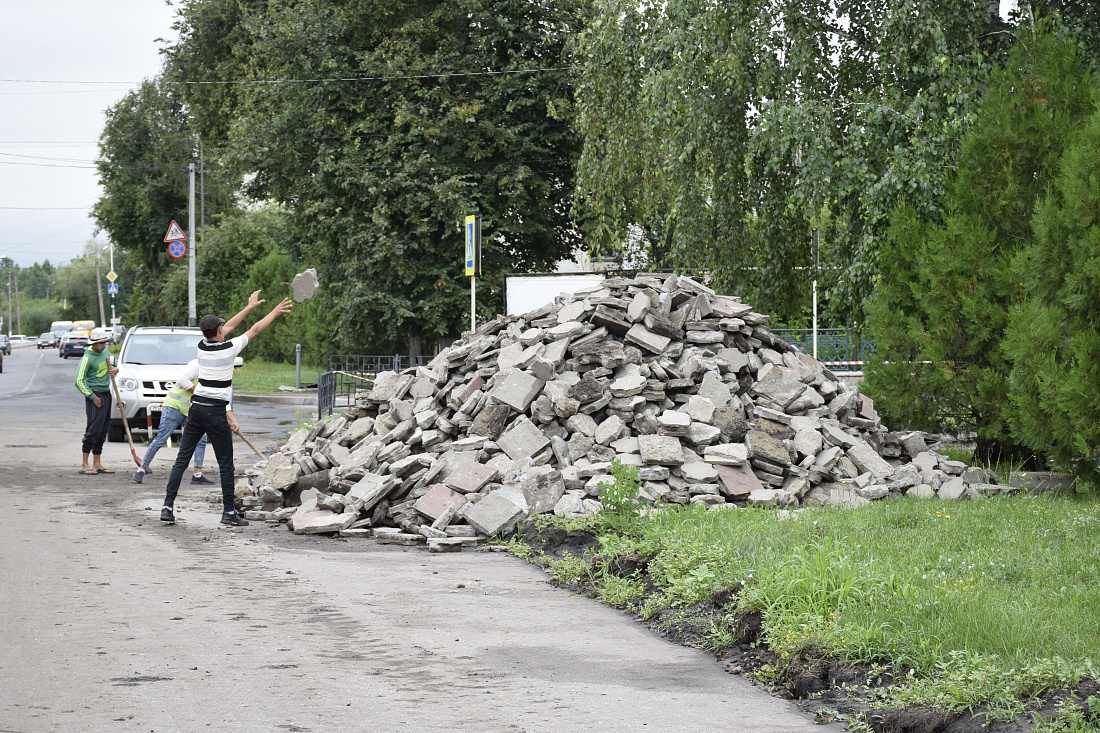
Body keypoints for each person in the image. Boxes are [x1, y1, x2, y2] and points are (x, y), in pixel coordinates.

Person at [160, 290, 292, 525]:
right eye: (221, 327)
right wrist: (274, 312)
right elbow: (255, 330)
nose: (225, 328)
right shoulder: (229, 348)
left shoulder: (201, 346)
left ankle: (167, 507)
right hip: (215, 412)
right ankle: (228, 513)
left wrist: (249, 307)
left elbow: (228, 327)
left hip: (196, 408)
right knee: (225, 464)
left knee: (182, 459)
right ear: (218, 331)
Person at [132, 359, 221, 486]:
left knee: (201, 440)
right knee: (161, 439)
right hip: (174, 407)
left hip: (191, 410)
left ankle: (197, 475)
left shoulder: (215, 373)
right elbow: (183, 381)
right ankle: (141, 470)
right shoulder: (196, 365)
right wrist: (200, 392)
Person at [75, 328, 119, 475]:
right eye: (101, 343)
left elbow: (110, 368)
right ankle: (85, 464)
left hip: (107, 394)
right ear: (94, 343)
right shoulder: (87, 358)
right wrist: (92, 396)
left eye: (105, 342)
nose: (104, 345)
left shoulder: (105, 352)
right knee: (93, 429)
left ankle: (97, 464)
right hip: (95, 395)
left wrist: (115, 370)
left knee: (103, 430)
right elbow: (78, 381)